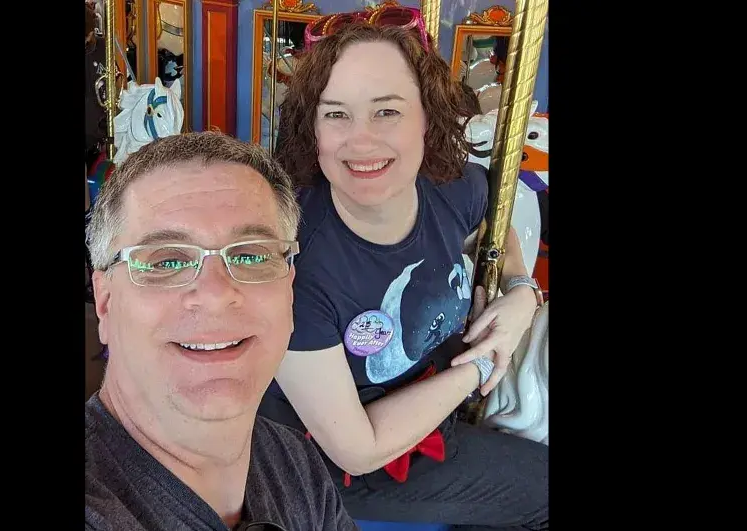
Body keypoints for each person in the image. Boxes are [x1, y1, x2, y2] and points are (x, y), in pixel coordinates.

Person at [259, 10, 548, 530]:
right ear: (313, 129)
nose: (361, 141)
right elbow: (356, 448)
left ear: (427, 118)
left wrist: (522, 290)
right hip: (349, 467)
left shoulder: (451, 188)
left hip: (441, 402)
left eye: (387, 111)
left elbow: (494, 225)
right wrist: (484, 362)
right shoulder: (296, 267)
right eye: (337, 114)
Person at [85, 132, 358, 531]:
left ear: (289, 289)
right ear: (106, 302)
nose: (215, 295)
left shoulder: (295, 464)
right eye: (166, 262)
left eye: (250, 254)